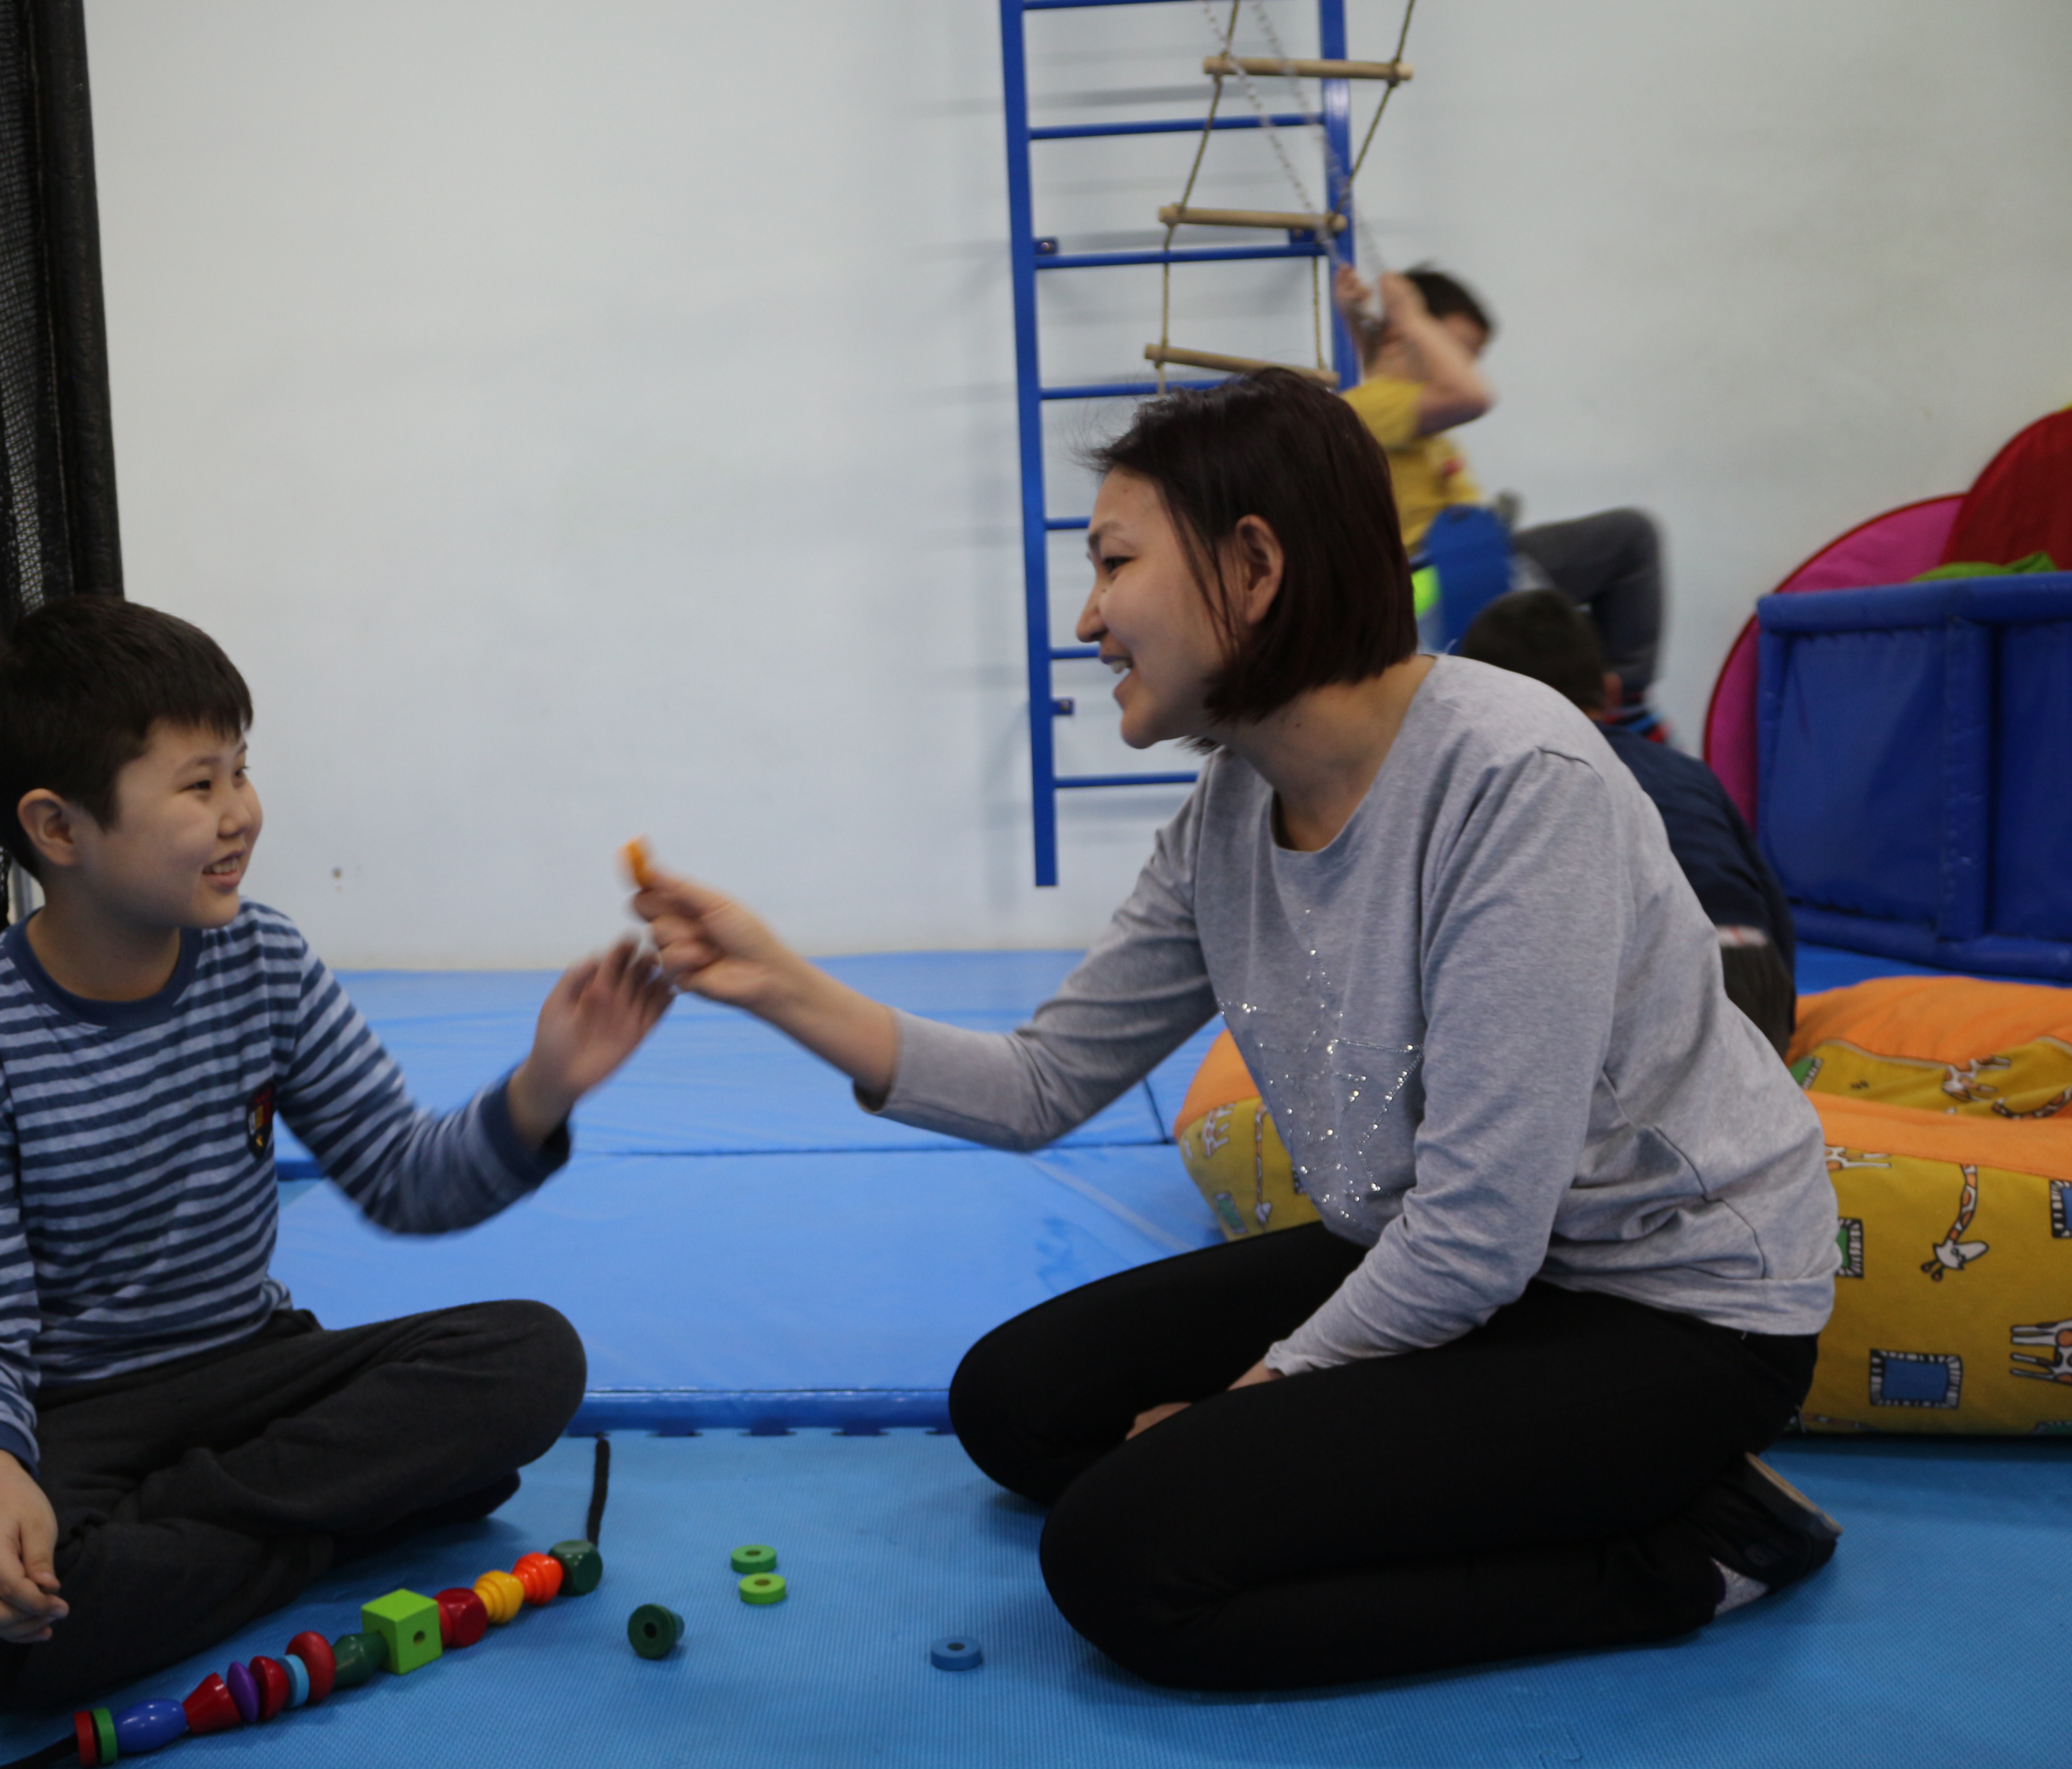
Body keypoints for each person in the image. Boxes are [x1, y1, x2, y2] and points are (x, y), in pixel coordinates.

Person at [634, 370, 1841, 1691]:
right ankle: (1471, 1459)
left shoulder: (1513, 782)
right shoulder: (1224, 821)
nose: (1088, 618)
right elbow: (1038, 1084)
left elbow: (1478, 1230)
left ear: (1253, 566)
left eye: (1114, 563)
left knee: (1127, 1561)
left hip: (1667, 1310)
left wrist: (1248, 1400)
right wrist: (776, 982)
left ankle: (1699, 1544)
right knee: (1016, 1406)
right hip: (1469, 1267)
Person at [0, 598, 669, 1723]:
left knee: (531, 1358)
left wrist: (541, 1089)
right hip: (72, 1414)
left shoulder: (264, 961)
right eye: (198, 785)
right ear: (59, 828)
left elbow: (401, 1174)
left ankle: (178, 1542)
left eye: (241, 771)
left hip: (254, 1370)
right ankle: (337, 1521)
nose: (241, 812)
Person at [1457, 587, 1798, 1052]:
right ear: (1612, 690)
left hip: (1670, 989)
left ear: (1484, 705)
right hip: (1758, 976)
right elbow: (1769, 897)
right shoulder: (1686, 770)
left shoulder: (1528, 774)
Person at [1336, 264, 1671, 727]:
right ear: (1402, 335)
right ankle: (1627, 700)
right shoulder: (1372, 406)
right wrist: (1411, 316)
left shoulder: (1386, 406)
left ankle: (1598, 693)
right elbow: (1472, 396)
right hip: (1448, 581)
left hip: (1458, 571)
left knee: (1578, 625)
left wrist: (1357, 317)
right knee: (1631, 537)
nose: (1464, 367)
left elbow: (1383, 364)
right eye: (1456, 349)